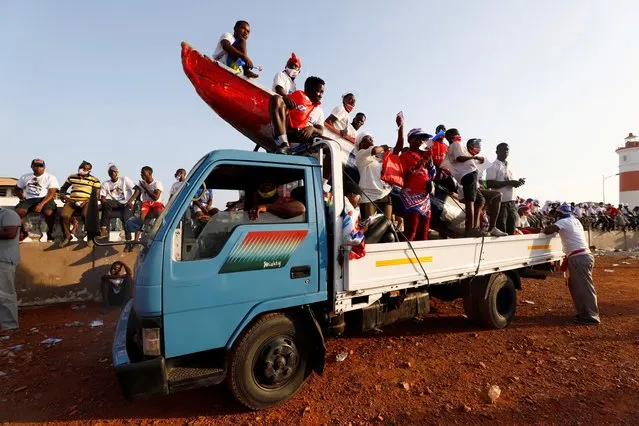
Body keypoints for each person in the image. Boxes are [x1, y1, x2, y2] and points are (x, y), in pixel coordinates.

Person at [543, 204, 600, 325]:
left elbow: (548, 231)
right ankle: (584, 314)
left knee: (584, 288)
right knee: (577, 286)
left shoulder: (564, 222)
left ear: (559, 214)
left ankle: (591, 316)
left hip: (579, 258)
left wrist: (549, 224)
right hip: (582, 256)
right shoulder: (575, 220)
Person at [356, 114, 404, 221]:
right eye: (367, 139)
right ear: (361, 144)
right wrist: (384, 147)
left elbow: (398, 147)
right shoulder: (361, 154)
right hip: (369, 196)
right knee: (370, 227)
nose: (370, 140)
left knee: (387, 226)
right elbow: (374, 150)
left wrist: (401, 127)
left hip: (385, 194)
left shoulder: (381, 156)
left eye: (371, 138)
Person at [397, 125, 436, 241]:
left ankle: (421, 257)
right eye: (418, 138)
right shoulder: (404, 156)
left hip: (425, 198)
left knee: (424, 233)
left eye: (423, 139)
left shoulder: (424, 156)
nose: (421, 141)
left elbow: (432, 175)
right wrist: (416, 167)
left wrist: (430, 162)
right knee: (411, 232)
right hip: (411, 197)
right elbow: (401, 177)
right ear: (410, 140)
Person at [446, 130, 487, 237]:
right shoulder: (455, 144)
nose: (459, 135)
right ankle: (470, 230)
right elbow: (459, 158)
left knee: (480, 200)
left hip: (470, 174)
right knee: (470, 201)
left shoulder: (455, 147)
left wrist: (478, 159)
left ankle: (475, 227)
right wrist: (474, 157)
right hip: (468, 175)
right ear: (452, 137)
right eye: (457, 134)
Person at [269, 76, 326, 153]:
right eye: (318, 91)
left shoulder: (319, 111)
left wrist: (312, 129)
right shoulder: (293, 97)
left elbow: (320, 130)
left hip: (303, 139)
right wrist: (285, 98)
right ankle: (283, 144)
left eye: (322, 92)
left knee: (331, 143)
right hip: (287, 133)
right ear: (308, 88)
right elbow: (278, 105)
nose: (320, 95)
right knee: (276, 99)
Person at [58, 161, 101, 248]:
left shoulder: (94, 180)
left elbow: (96, 195)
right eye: (82, 167)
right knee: (64, 215)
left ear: (89, 171)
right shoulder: (72, 176)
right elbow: (63, 189)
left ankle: (90, 238)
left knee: (86, 215)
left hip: (86, 201)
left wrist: (86, 201)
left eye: (86, 169)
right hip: (72, 201)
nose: (83, 170)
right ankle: (67, 236)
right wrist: (64, 197)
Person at [14, 159, 59, 241]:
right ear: (32, 166)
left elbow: (51, 193)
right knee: (19, 211)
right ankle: (23, 232)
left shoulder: (50, 177)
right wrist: (21, 197)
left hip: (45, 199)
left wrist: (41, 204)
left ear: (44, 167)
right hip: (29, 199)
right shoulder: (25, 177)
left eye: (41, 166)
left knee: (49, 213)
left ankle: (50, 233)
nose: (38, 168)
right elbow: (17, 189)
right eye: (36, 166)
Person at [485, 143, 526, 235]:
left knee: (511, 229)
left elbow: (509, 181)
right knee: (501, 228)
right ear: (497, 151)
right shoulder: (493, 166)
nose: (506, 151)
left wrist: (517, 182)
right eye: (503, 149)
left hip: (511, 202)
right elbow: (489, 183)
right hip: (500, 203)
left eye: (507, 150)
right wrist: (509, 183)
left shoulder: (509, 166)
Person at [100, 164, 135, 239]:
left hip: (126, 202)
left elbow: (137, 189)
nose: (113, 174)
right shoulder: (106, 183)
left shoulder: (124, 179)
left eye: (114, 172)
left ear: (117, 173)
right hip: (116, 202)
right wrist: (103, 201)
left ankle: (129, 240)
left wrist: (130, 201)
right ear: (108, 174)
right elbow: (102, 196)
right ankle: (103, 228)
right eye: (111, 172)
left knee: (126, 218)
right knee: (106, 204)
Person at [0, 207, 21, 333]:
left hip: (4, 259)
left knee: (5, 294)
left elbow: (10, 233)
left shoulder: (8, 214)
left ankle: (10, 326)